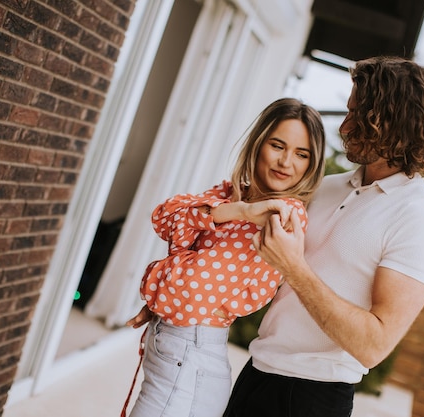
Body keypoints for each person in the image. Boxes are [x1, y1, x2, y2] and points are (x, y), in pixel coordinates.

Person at [222, 56, 424, 417]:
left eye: (357, 115)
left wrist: (294, 268)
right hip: (257, 372)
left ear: (393, 122)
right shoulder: (326, 186)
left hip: (313, 399)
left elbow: (374, 345)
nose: (345, 127)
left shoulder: (419, 217)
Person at [123, 98, 326, 417]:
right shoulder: (231, 193)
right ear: (259, 144)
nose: (286, 162)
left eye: (302, 154)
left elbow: (191, 286)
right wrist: (241, 210)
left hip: (191, 359)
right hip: (178, 354)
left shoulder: (285, 216)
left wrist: (160, 292)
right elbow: (165, 217)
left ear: (311, 164)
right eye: (278, 145)